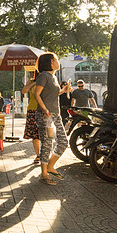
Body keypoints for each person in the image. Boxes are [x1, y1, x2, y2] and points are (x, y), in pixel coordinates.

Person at [34, 52, 70, 186]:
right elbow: (36, 94)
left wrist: (63, 90)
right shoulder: (43, 76)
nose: (58, 61)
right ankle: (44, 174)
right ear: (49, 62)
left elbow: (51, 94)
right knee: (47, 143)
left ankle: (50, 166)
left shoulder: (53, 77)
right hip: (46, 115)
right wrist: (45, 110)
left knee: (63, 141)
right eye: (56, 59)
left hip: (55, 114)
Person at [22, 71, 41, 163]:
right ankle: (38, 155)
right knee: (35, 135)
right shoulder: (31, 82)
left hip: (44, 110)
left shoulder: (46, 81)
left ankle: (45, 155)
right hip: (32, 109)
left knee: (46, 134)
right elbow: (24, 91)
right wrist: (34, 83)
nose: (32, 74)